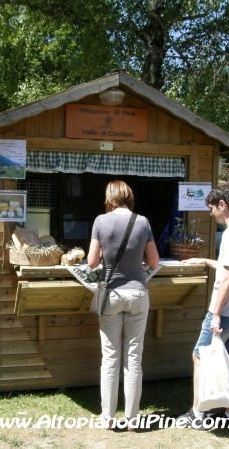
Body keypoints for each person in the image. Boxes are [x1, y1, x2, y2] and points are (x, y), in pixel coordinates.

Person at [178, 183, 229, 431]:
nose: (210, 213)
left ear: (222, 205)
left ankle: (198, 414)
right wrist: (204, 260)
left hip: (225, 310)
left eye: (211, 208)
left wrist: (216, 314)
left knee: (199, 356)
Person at [87, 180, 160, 430]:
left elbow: (92, 262)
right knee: (133, 358)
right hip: (138, 294)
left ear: (109, 197)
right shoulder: (143, 222)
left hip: (111, 296)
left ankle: (108, 417)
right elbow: (153, 261)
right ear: (129, 196)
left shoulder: (100, 221)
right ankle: (132, 418)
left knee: (110, 357)